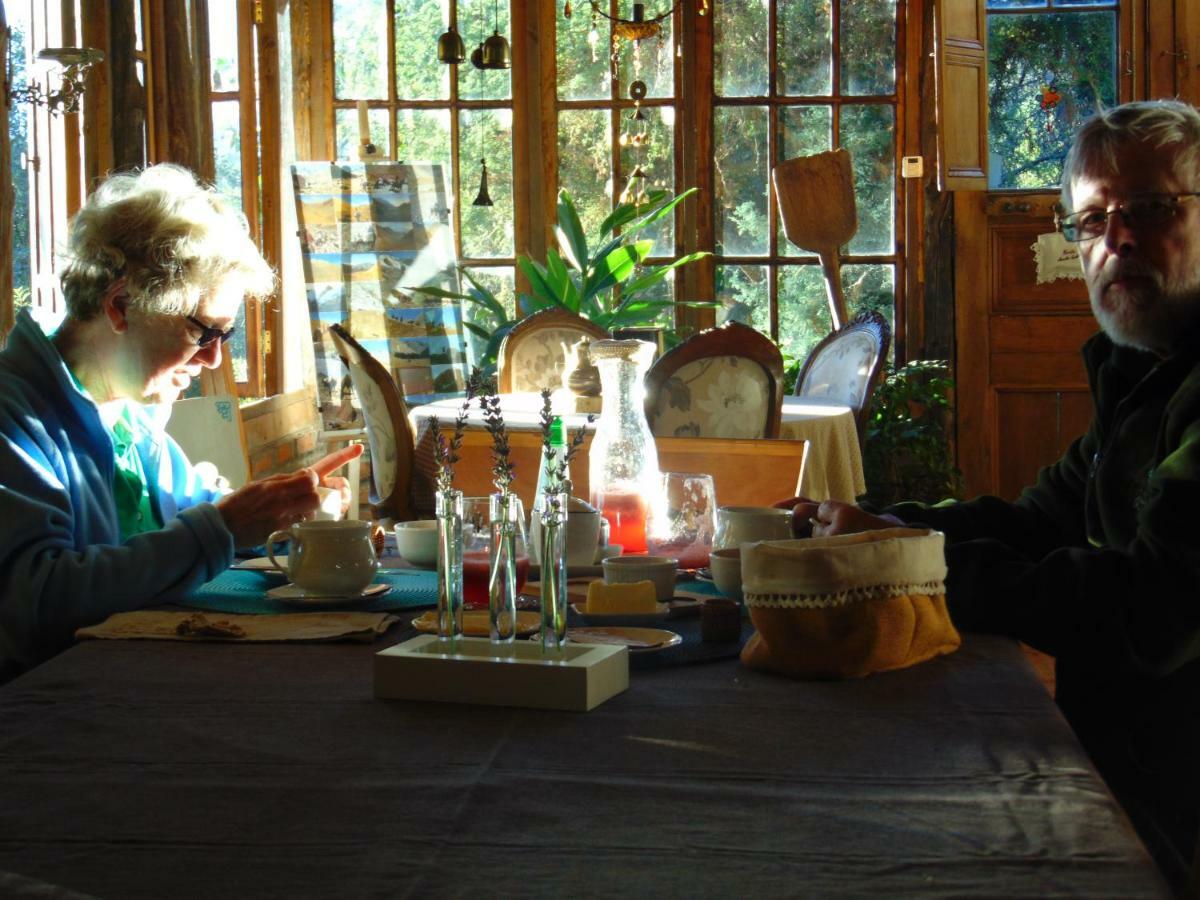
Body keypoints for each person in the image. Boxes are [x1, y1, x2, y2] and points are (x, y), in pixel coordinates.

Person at [780, 99, 1200, 883]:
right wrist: (883, 528)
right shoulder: (1147, 375)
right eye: (1090, 220)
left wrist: (908, 561)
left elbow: (1152, 609)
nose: (1117, 240)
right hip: (1126, 765)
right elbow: (1040, 521)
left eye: (1150, 207)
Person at [0, 164, 362, 680]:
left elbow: (196, 518)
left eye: (226, 336)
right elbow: (33, 605)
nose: (214, 360)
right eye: (204, 333)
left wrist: (280, 508)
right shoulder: (14, 419)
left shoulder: (126, 414)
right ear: (121, 305)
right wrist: (226, 526)